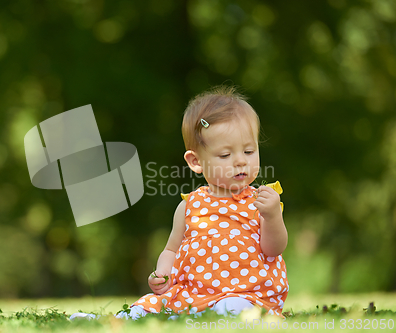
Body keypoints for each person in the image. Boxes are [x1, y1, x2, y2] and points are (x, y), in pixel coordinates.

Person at [70, 85, 289, 321]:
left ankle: (208, 315)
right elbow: (171, 249)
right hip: (192, 293)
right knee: (151, 305)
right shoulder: (189, 206)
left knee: (233, 307)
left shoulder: (262, 201)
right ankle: (114, 321)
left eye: (249, 151)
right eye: (225, 155)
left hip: (246, 293)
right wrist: (163, 272)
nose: (240, 161)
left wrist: (273, 216)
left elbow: (273, 249)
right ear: (195, 161)